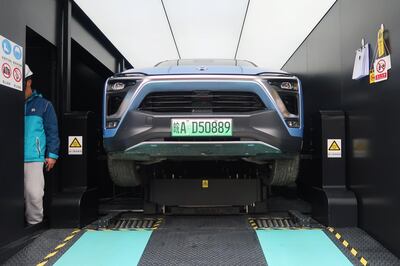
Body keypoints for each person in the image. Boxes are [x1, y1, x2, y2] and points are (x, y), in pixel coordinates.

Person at [24, 64, 60, 225]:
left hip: (33, 157)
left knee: (34, 194)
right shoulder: (8, 103)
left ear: (28, 82)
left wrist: (52, 155)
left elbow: (52, 131)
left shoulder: (43, 105)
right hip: (10, 157)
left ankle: (34, 224)